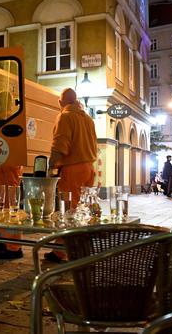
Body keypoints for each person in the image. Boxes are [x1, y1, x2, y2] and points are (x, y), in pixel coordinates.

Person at [47, 88, 98, 262]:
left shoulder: (65, 116)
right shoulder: (88, 119)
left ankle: (64, 251)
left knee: (68, 210)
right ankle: (73, 248)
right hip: (89, 169)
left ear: (61, 102)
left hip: (73, 168)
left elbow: (60, 144)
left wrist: (50, 165)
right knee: (82, 209)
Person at [0, 91, 24, 259]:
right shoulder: (15, 117)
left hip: (3, 163)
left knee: (5, 205)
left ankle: (12, 246)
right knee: (11, 204)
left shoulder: (0, 118)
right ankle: (9, 243)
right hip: (12, 163)